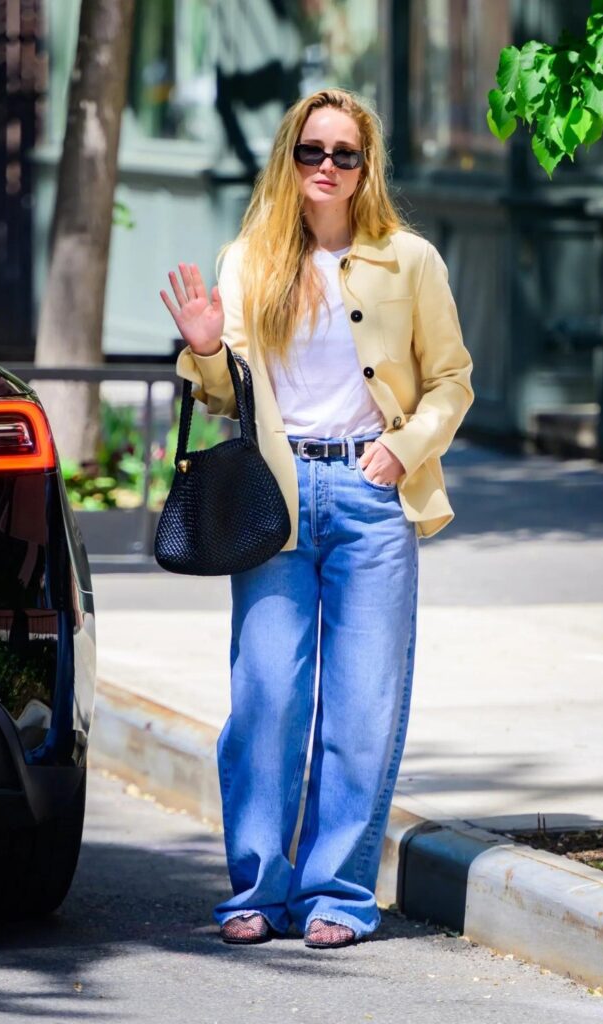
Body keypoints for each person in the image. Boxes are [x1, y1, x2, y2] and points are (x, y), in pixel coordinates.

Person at [160, 87, 474, 949]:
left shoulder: (408, 260)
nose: (326, 167)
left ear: (366, 166)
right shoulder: (249, 259)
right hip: (275, 497)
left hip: (371, 498)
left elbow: (452, 380)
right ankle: (258, 891)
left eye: (344, 153)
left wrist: (403, 448)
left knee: (362, 707)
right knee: (267, 698)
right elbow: (227, 392)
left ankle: (337, 893)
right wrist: (202, 346)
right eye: (311, 151)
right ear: (288, 161)